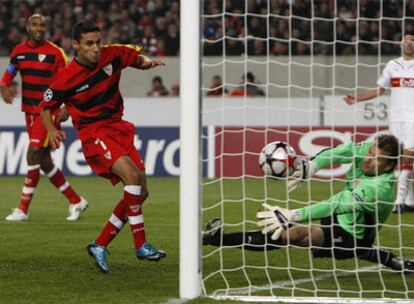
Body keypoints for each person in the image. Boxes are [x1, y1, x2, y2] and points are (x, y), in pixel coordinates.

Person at [39, 21, 166, 273]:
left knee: (141, 191)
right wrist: (53, 129)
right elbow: (46, 107)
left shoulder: (112, 53)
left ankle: (100, 244)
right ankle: (141, 245)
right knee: (131, 177)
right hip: (93, 132)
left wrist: (146, 63)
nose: (96, 48)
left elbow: (134, 58)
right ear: (76, 45)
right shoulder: (66, 77)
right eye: (89, 44)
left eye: (97, 42)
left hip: (117, 127)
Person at [203, 135, 414, 272]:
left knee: (290, 234)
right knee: (288, 232)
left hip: (353, 235)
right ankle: (390, 260)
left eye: (376, 158)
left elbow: (336, 204)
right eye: (370, 153)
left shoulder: (380, 188)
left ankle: (216, 239)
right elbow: (340, 151)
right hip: (342, 218)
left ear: (388, 165)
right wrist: (313, 165)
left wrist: (293, 214)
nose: (367, 158)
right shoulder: (369, 151)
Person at [0, 14, 87, 222]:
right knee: (45, 162)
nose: (39, 28)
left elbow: (69, 79)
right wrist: (4, 86)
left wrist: (68, 105)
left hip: (48, 111)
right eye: (35, 25)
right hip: (29, 112)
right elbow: (9, 73)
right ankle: (76, 200)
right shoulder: (19, 52)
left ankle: (23, 208)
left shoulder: (55, 53)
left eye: (42, 25)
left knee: (34, 152)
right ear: (27, 27)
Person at [343, 33, 414, 213]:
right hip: (396, 120)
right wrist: (357, 98)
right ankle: (410, 201)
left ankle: (398, 201)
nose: (409, 44)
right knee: (399, 158)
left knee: (407, 156)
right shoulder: (393, 65)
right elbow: (379, 89)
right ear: (401, 43)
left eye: (413, 41)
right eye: (406, 40)